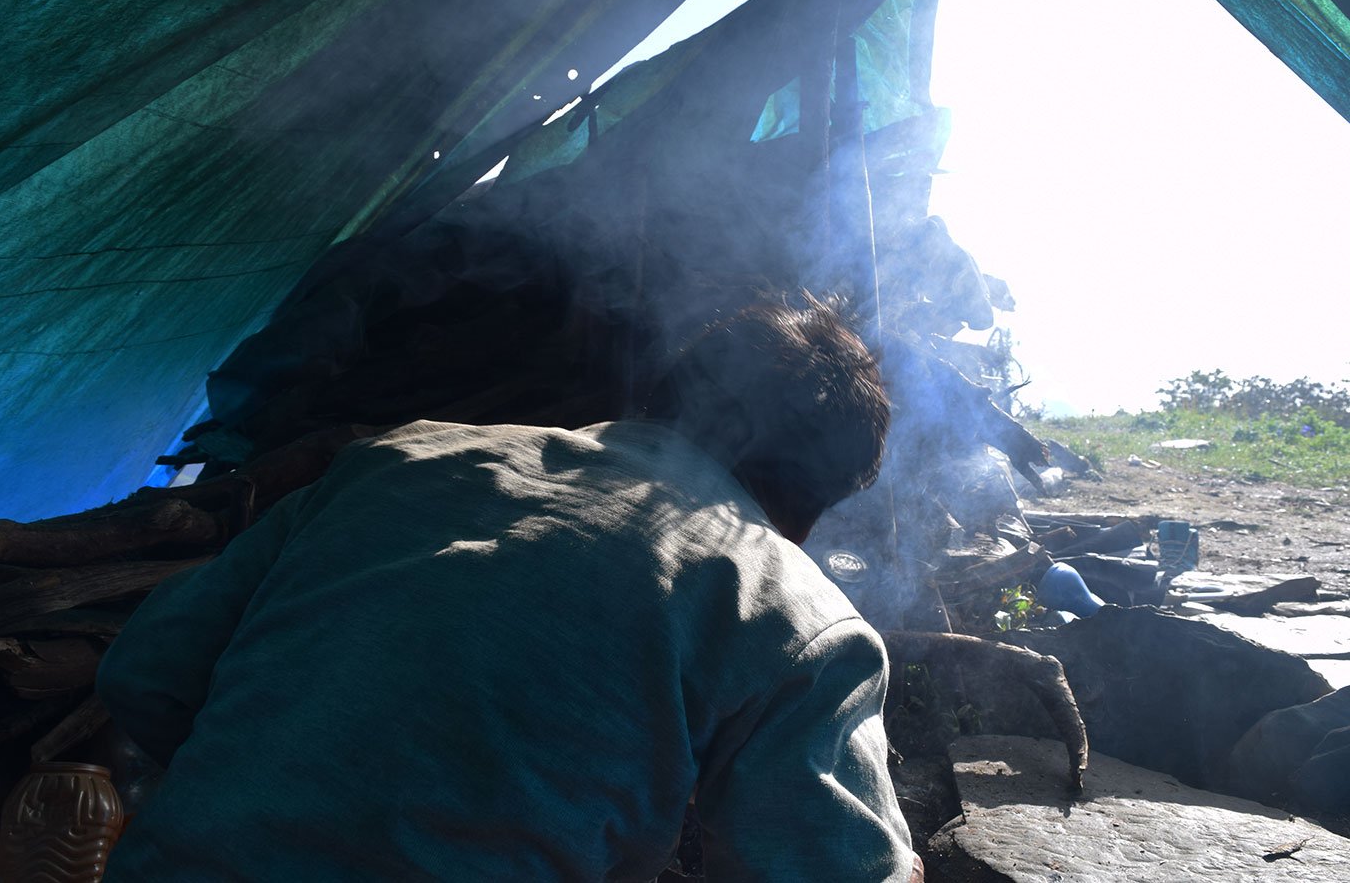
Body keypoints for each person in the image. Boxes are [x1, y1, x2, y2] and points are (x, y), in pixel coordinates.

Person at [96, 294, 920, 880]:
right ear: (814, 500)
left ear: (666, 398)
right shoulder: (798, 617)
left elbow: (147, 671)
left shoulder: (402, 458)